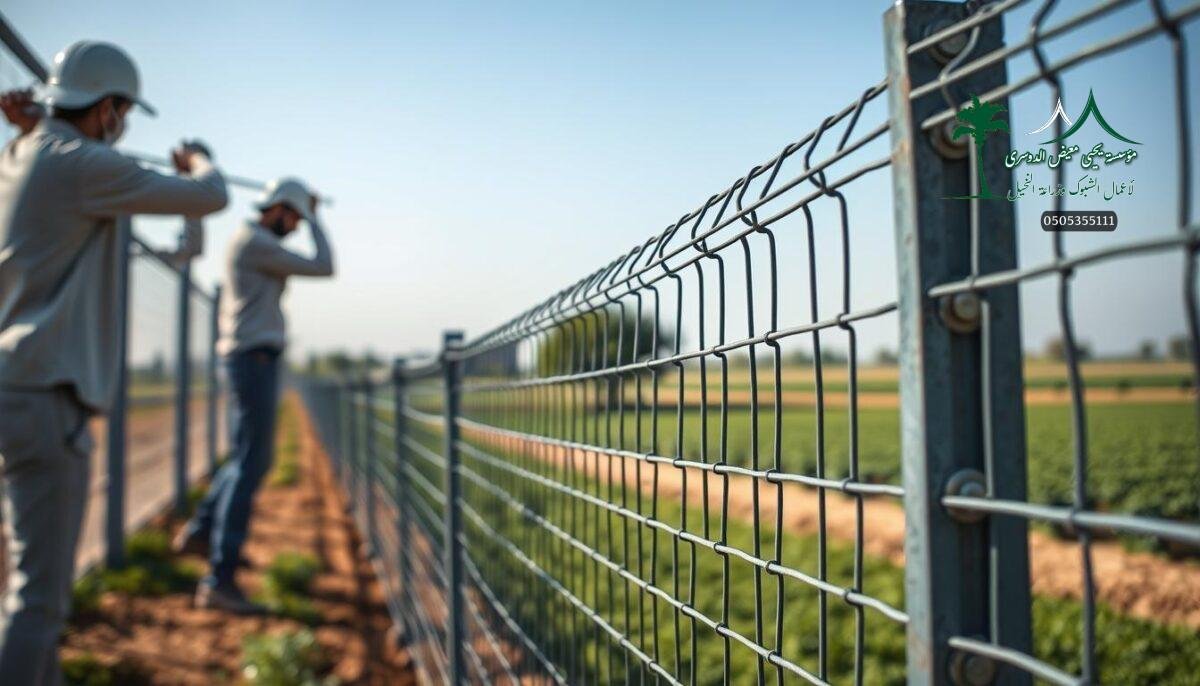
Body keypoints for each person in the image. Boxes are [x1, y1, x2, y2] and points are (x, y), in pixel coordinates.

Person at [0, 41, 227, 685]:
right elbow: (207, 194)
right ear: (107, 109)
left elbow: (58, 158)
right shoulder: (79, 165)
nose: (123, 127)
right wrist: (198, 160)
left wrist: (34, 126)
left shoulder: (23, 155)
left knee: (35, 591)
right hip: (47, 393)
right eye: (122, 114)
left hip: (22, 383)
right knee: (39, 601)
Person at [174, 177, 334, 614]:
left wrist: (309, 212)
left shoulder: (253, 240)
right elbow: (324, 265)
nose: (298, 226)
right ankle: (219, 577)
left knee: (246, 458)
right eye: (296, 217)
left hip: (248, 359)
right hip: (253, 360)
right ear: (278, 209)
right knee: (250, 463)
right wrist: (319, 218)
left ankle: (205, 531)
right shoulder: (259, 243)